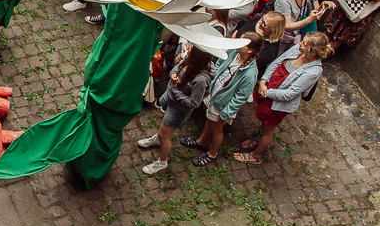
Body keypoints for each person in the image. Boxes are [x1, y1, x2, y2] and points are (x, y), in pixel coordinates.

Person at [235, 31, 332, 165]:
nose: (300, 44)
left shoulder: (313, 71)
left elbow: (290, 93)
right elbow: (277, 63)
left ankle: (256, 155)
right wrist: (263, 81)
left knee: (268, 129)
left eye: (304, 44)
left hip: (276, 102)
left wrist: (266, 92)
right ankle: (259, 141)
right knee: (264, 124)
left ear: (313, 52)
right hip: (268, 89)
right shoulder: (298, 50)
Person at [183, 35, 262, 167]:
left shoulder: (250, 74)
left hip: (223, 106)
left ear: (250, 50)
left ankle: (212, 153)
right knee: (210, 120)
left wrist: (226, 113)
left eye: (242, 43)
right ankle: (202, 141)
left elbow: (240, 97)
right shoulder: (233, 52)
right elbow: (220, 63)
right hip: (215, 96)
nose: (237, 43)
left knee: (217, 128)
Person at [136, 46, 214, 176]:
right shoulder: (189, 61)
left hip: (178, 109)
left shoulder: (201, 79)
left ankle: (162, 161)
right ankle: (158, 139)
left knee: (165, 135)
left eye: (191, 51)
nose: (188, 51)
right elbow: (177, 69)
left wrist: (174, 89)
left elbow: (193, 103)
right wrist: (174, 73)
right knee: (163, 129)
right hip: (171, 99)